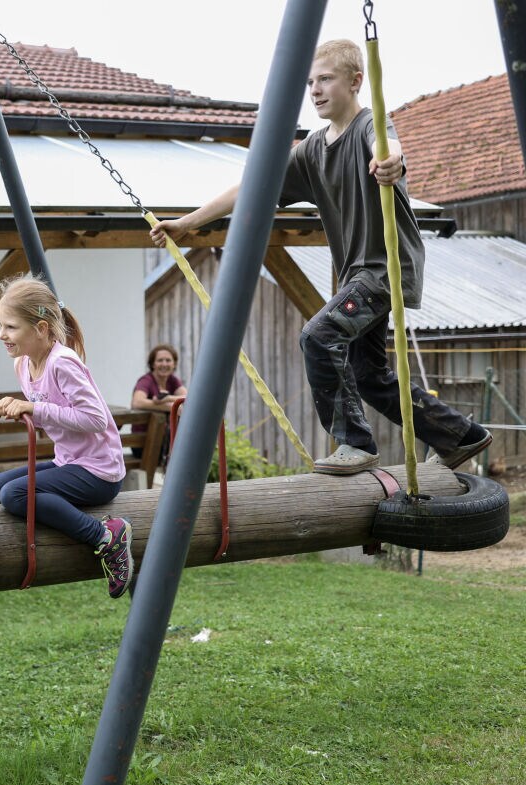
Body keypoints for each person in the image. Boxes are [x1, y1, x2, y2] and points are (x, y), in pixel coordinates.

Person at [149, 39, 490, 476]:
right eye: (311, 82)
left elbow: (388, 150)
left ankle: (355, 443)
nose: (315, 89)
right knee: (370, 376)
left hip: (384, 270)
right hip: (356, 274)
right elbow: (254, 184)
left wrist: (393, 165)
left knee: (317, 335)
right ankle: (460, 435)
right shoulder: (313, 149)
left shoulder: (372, 123)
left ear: (355, 81)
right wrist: (188, 223)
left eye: (325, 79)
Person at [0, 274, 134, 598]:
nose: (1, 335)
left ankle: (106, 536)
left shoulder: (62, 363)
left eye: (10, 327)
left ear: (41, 329)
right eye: (0, 326)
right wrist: (19, 407)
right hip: (69, 461)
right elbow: (47, 411)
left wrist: (34, 410)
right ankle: (62, 513)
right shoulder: (23, 365)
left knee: (13, 496)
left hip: (99, 471)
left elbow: (95, 419)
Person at [131, 343, 187, 460]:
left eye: (168, 360)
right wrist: (171, 407)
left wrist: (168, 399)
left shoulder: (173, 380)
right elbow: (137, 402)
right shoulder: (146, 380)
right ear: (152, 364)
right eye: (160, 360)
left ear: (174, 364)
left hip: (164, 441)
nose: (164, 364)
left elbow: (190, 398)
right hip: (143, 443)